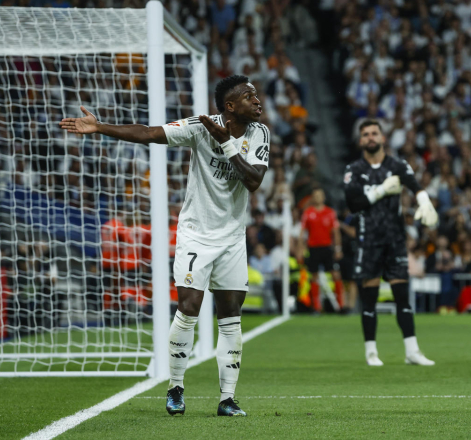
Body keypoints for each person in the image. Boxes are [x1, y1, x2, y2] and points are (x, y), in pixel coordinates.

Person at [60, 75, 269, 417]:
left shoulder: (260, 134)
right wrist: (100, 128)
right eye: (249, 97)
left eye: (256, 95)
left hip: (232, 237)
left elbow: (254, 180)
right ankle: (175, 389)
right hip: (195, 234)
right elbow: (149, 133)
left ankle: (227, 398)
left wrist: (227, 144)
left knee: (231, 317)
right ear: (230, 106)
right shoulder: (201, 126)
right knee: (188, 307)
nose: (257, 101)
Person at [343, 119, 438, 366]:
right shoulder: (354, 169)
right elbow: (353, 205)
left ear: (383, 138)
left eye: (374, 133)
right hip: (368, 240)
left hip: (395, 240)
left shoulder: (397, 164)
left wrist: (425, 201)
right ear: (361, 140)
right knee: (370, 298)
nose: (370, 137)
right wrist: (381, 190)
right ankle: (371, 352)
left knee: (402, 296)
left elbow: (415, 186)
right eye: (365, 134)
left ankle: (412, 351)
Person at [300, 186, 343, 313]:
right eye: (315, 195)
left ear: (323, 197)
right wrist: (301, 248)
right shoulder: (308, 213)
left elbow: (336, 232)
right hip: (313, 248)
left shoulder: (330, 212)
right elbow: (303, 232)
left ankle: (340, 306)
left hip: (327, 247)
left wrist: (338, 248)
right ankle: (317, 307)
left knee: (336, 275)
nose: (318, 197)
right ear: (312, 198)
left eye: (320, 195)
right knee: (314, 276)